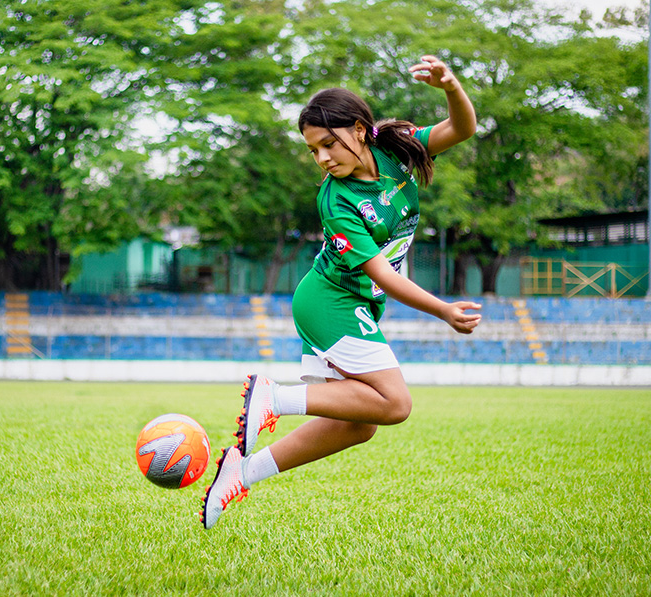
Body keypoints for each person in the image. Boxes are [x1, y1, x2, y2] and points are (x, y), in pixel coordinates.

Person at [201, 55, 482, 530]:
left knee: (359, 424)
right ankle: (273, 397)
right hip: (330, 302)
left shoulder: (398, 149)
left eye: (329, 144)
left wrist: (451, 85)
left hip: (356, 302)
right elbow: (383, 274)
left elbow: (463, 128)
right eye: (313, 150)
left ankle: (243, 473)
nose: (323, 158)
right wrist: (442, 310)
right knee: (395, 404)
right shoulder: (335, 198)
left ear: (358, 129)